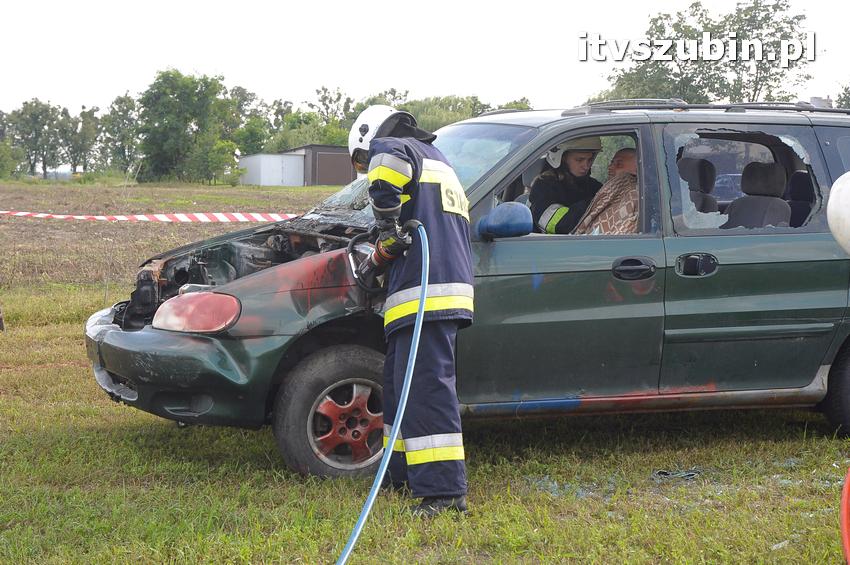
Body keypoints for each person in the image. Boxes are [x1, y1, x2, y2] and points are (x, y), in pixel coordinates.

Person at [348, 105, 474, 517]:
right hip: (436, 289)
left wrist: (385, 225)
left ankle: (443, 493)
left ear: (372, 138)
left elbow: (386, 181)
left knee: (426, 389)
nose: (369, 169)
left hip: (427, 291)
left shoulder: (394, 146)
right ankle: (399, 473)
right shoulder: (438, 161)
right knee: (401, 386)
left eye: (364, 162)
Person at [528, 137, 603, 234]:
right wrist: (593, 203)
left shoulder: (593, 185)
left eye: (590, 159)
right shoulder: (544, 187)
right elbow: (559, 225)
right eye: (579, 160)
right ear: (562, 157)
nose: (586, 166)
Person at [572, 147, 639, 235]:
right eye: (612, 162)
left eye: (619, 164)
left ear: (637, 170)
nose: (610, 167)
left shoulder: (634, 196)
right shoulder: (604, 191)